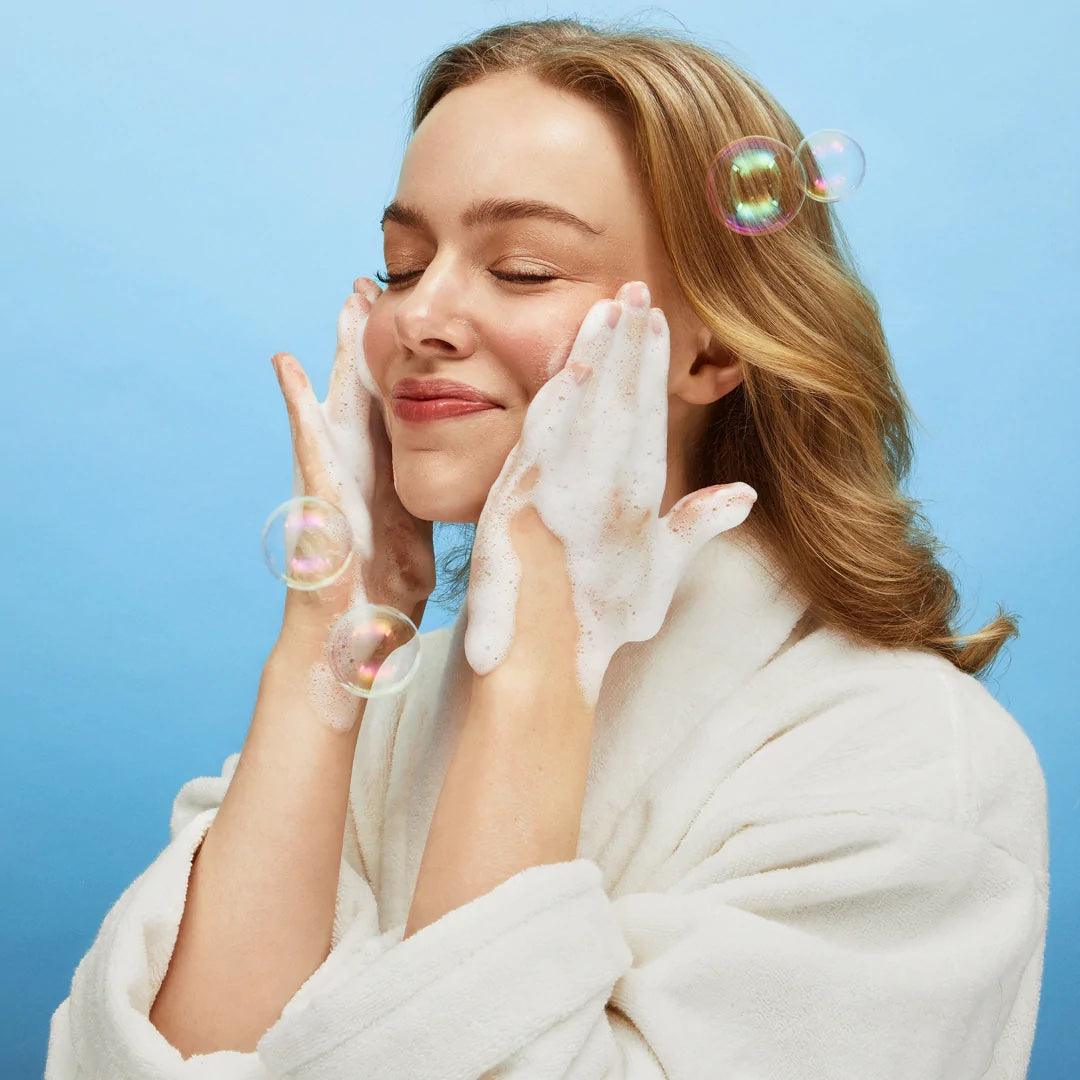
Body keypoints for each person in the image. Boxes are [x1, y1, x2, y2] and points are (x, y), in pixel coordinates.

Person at [45, 16, 1048, 1079]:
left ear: (712, 345)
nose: (420, 318)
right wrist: (326, 645)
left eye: (522, 270)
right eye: (402, 265)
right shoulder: (384, 713)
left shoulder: (905, 765)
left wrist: (540, 665)